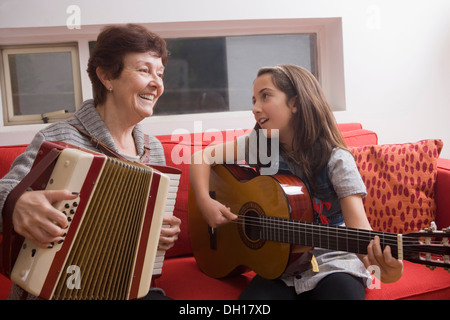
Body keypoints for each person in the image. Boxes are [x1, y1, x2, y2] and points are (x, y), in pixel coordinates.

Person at [189, 64, 403, 300]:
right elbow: (201, 157)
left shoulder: (337, 160)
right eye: (253, 100)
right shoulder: (259, 145)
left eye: (265, 96)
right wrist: (205, 201)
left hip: (335, 264)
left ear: (295, 103)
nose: (255, 108)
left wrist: (387, 271)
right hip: (279, 267)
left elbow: (360, 234)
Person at [0, 24, 181, 300]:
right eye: (144, 70)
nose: (157, 83)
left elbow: (144, 238)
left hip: (124, 289)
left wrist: (157, 235)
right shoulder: (59, 138)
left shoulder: (152, 149)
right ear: (106, 75)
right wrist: (15, 204)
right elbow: (5, 192)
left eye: (160, 73)